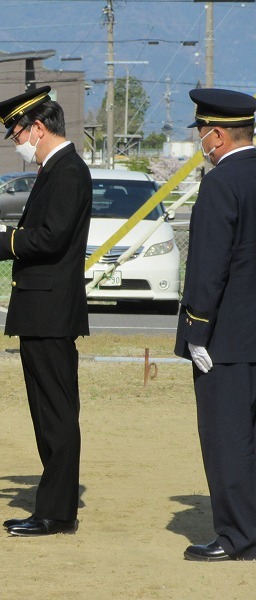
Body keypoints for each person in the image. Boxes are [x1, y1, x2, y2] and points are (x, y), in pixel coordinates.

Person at [0, 86, 91, 537]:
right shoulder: (55, 169)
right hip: (43, 308)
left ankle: (56, 513)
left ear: (38, 128)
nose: (16, 142)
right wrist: (1, 232)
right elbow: (43, 230)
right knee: (47, 412)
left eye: (17, 132)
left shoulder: (67, 171)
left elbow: (52, 238)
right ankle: (52, 506)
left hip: (51, 310)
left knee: (55, 414)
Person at [174, 87, 256, 562]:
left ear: (218, 134)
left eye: (203, 132)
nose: (201, 140)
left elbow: (209, 265)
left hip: (227, 336)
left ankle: (238, 536)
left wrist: (196, 329)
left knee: (227, 439)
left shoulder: (221, 183)